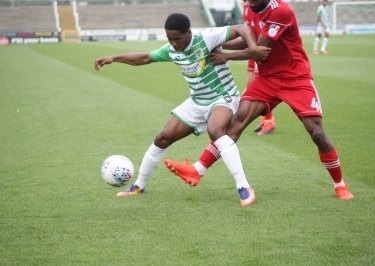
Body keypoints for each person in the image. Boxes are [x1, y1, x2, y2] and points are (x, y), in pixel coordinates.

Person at [164, 0, 354, 201]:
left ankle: (340, 185)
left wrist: (226, 56)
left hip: (295, 78)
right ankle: (197, 170)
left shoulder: (281, 11)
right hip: (266, 79)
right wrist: (215, 42)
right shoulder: (249, 8)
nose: (249, 2)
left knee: (316, 131)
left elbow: (260, 50)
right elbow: (249, 41)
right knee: (236, 122)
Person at [94, 13, 271, 206]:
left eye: (177, 38)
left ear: (189, 33)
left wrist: (252, 48)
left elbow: (242, 28)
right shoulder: (171, 50)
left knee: (216, 131)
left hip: (223, 97)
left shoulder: (206, 37)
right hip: (196, 102)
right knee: (162, 138)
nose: (174, 43)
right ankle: (138, 185)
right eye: (170, 39)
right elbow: (145, 57)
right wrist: (114, 58)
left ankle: (243, 187)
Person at [242, 0, 276, 135]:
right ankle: (266, 118)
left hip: (258, 48)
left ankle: (269, 120)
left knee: (258, 88)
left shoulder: (257, 5)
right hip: (252, 48)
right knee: (250, 84)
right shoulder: (247, 6)